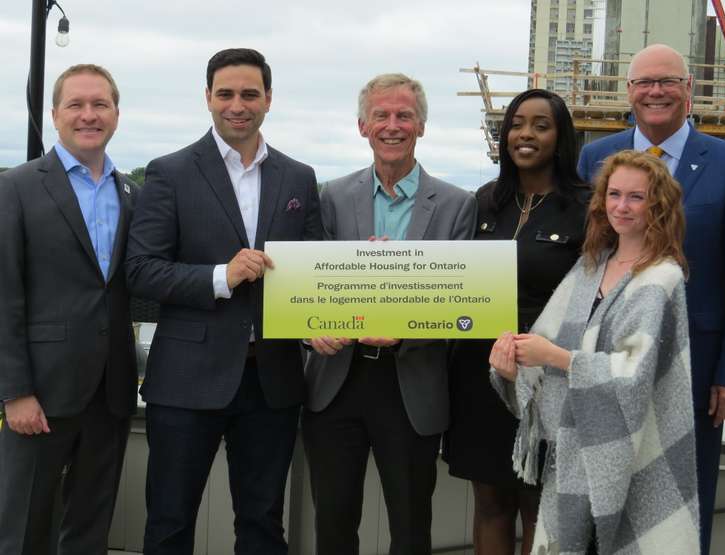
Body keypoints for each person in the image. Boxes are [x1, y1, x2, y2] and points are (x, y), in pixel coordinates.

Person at [126, 48, 322, 555]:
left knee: (262, 526)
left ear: (269, 99)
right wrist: (221, 276)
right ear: (208, 98)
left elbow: (314, 272)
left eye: (250, 94)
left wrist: (351, 290)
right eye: (226, 94)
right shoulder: (168, 172)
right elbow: (141, 270)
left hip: (272, 381)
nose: (238, 105)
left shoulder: (299, 178)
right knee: (169, 523)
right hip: (187, 380)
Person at [491, 150, 700, 554]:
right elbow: (546, 340)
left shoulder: (663, 277)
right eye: (614, 194)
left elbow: (633, 374)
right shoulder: (590, 266)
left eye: (636, 197)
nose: (622, 206)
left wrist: (554, 357)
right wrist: (514, 365)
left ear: (658, 204)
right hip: (575, 449)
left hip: (636, 449)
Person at [302, 73, 476, 555]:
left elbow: (461, 302)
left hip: (411, 384)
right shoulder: (332, 196)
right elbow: (309, 286)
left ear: (422, 126)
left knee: (411, 525)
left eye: (404, 115)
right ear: (363, 126)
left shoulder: (458, 206)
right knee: (333, 522)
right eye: (381, 115)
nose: (392, 125)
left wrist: (405, 330)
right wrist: (310, 331)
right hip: (337, 382)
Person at [577, 43, 725, 555]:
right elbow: (587, 263)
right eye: (644, 82)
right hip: (610, 364)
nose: (655, 92)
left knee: (683, 507)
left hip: (694, 372)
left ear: (689, 90)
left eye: (667, 81)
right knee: (607, 505)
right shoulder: (594, 156)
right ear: (628, 92)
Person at [444, 89, 590, 555]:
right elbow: (449, 276)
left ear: (560, 137)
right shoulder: (485, 201)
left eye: (541, 125)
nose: (525, 134)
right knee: (489, 504)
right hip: (480, 376)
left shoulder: (586, 207)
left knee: (538, 509)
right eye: (517, 123)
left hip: (546, 383)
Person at [0, 64, 138, 555]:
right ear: (55, 115)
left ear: (116, 115)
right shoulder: (15, 187)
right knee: (22, 528)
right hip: (39, 393)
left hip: (112, 391)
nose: (88, 115)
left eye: (100, 105)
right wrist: (14, 392)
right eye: (76, 105)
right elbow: (5, 295)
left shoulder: (131, 193)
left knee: (89, 528)